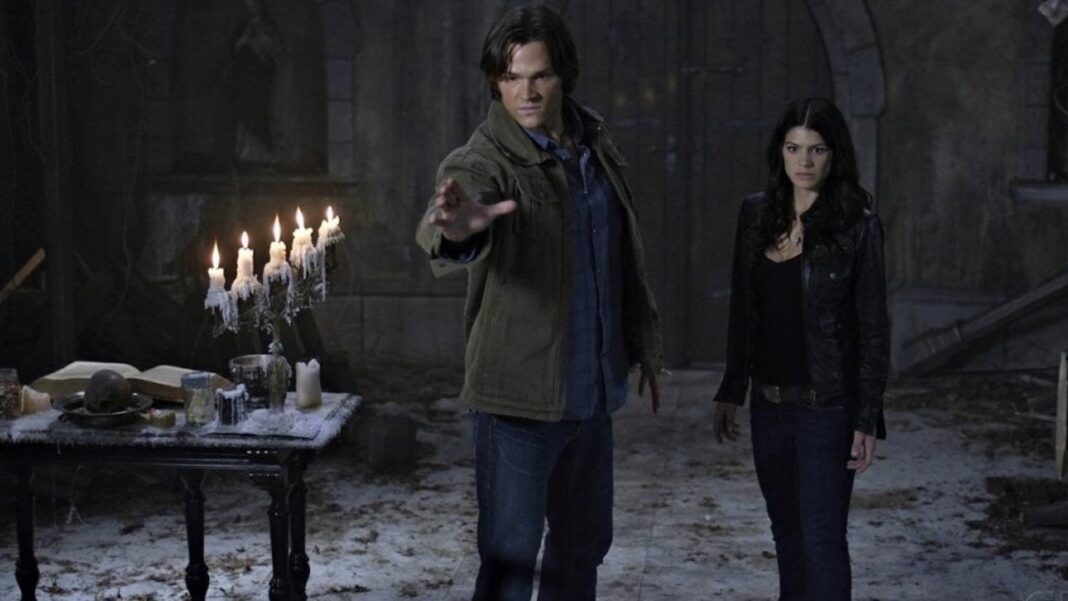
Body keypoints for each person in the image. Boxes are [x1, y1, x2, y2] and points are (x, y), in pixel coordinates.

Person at [414, 6, 664, 601]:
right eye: (511, 77)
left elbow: (617, 259)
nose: (525, 93)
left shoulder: (593, 142)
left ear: (563, 77)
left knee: (582, 552)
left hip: (591, 395)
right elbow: (448, 221)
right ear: (495, 82)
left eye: (540, 76)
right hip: (517, 404)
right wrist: (459, 227)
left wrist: (642, 346)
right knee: (510, 562)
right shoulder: (484, 158)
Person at [711, 97, 888, 601]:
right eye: (793, 148)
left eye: (816, 149)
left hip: (826, 410)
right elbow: (743, 309)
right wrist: (732, 388)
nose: (804, 161)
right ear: (780, 152)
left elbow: (873, 328)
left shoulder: (857, 226)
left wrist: (866, 417)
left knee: (822, 542)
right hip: (769, 406)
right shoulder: (756, 214)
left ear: (835, 155)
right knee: (787, 537)